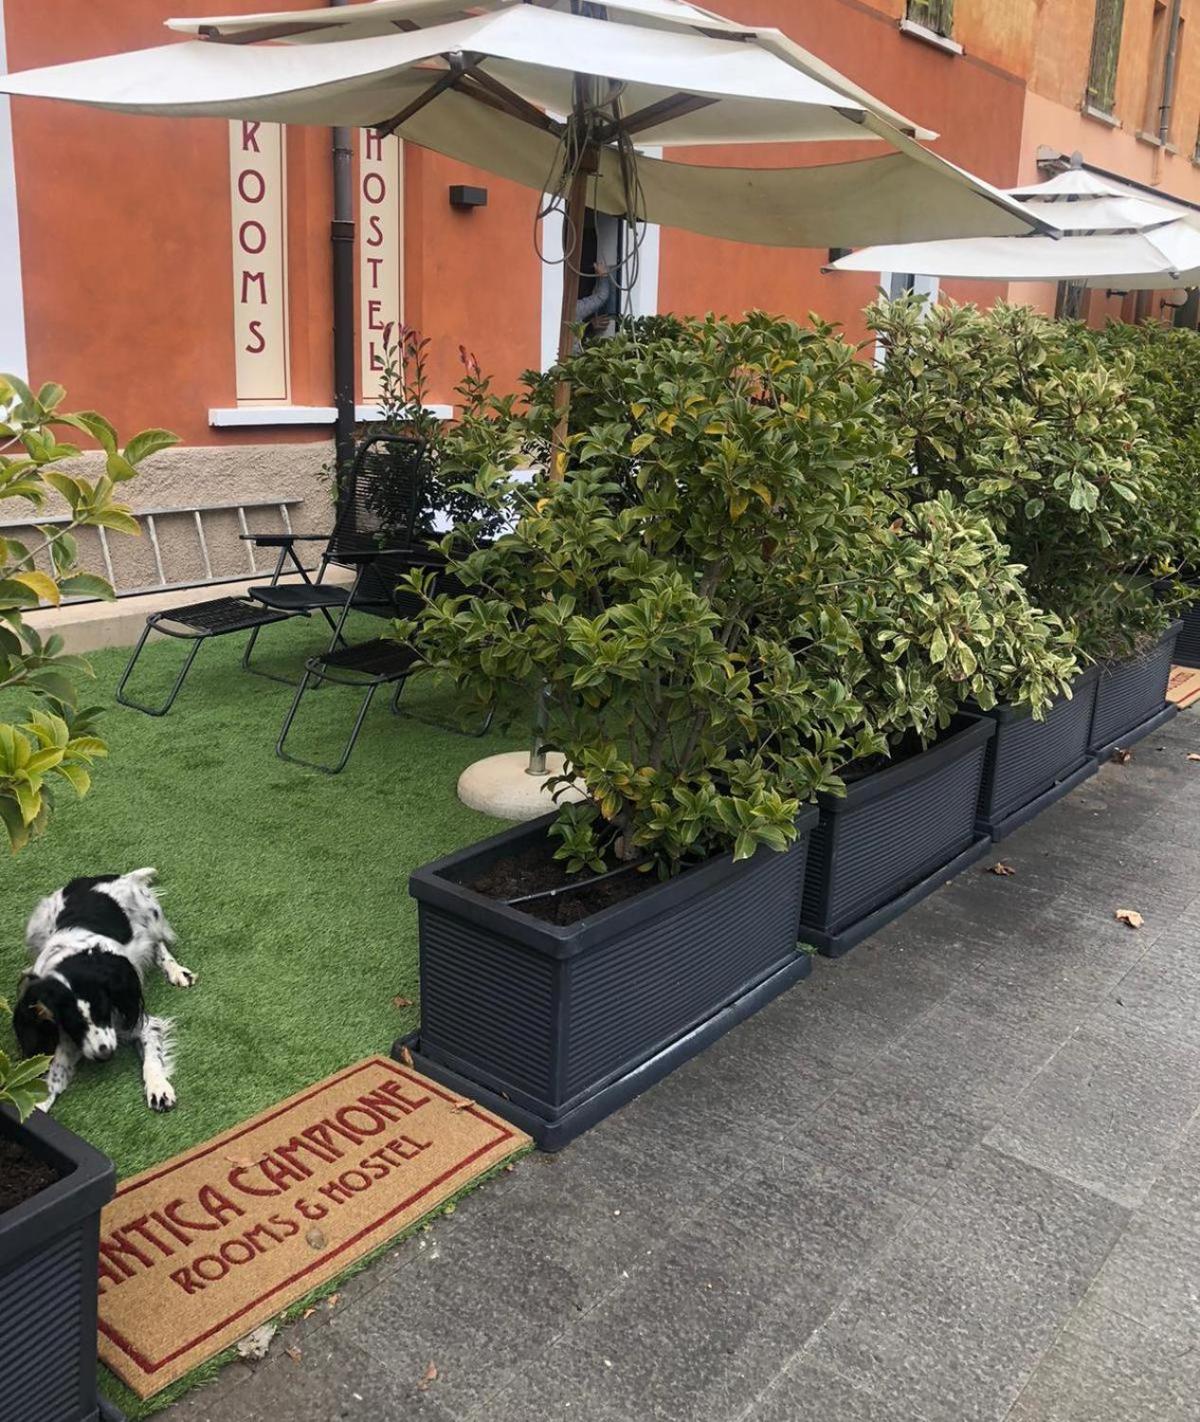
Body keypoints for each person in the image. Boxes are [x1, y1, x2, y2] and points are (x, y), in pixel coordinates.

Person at [573, 259, 615, 351]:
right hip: (574, 357)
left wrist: (590, 325)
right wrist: (603, 276)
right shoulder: (574, 309)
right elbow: (601, 297)